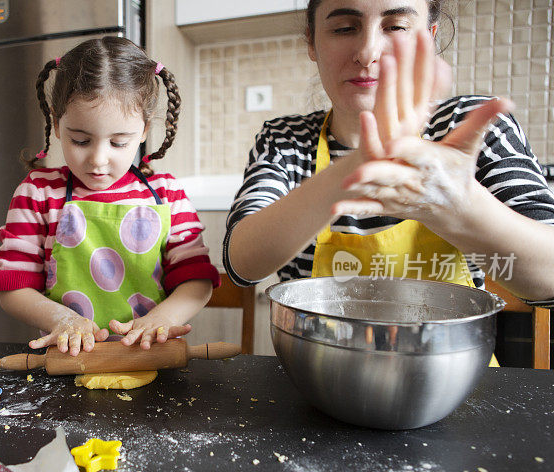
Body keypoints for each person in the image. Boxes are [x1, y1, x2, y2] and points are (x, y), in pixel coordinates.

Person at [223, 0, 554, 364]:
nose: (367, 52)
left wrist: (460, 206)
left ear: (428, 38)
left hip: (452, 386)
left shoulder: (469, 127)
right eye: (344, 28)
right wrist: (357, 166)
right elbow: (242, 264)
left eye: (395, 26)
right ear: (312, 44)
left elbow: (548, 278)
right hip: (317, 381)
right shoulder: (285, 140)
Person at [0, 37, 220, 356]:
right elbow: (13, 287)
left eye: (119, 143)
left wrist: (161, 318)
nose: (98, 159)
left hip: (147, 358)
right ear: (56, 123)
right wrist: (63, 319)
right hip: (68, 362)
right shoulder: (38, 192)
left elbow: (198, 280)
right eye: (81, 140)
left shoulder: (167, 194)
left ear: (145, 130)